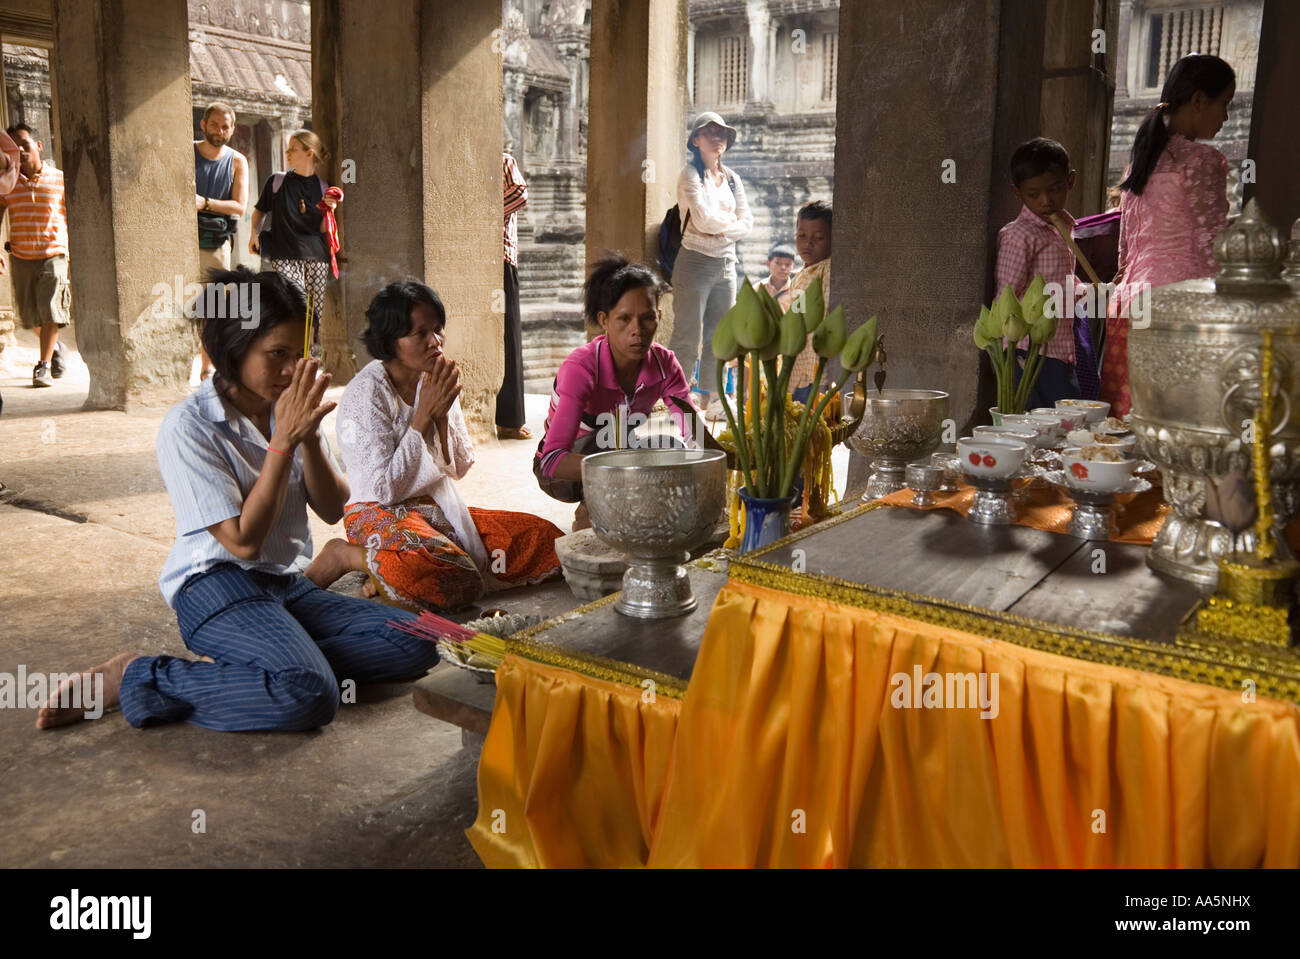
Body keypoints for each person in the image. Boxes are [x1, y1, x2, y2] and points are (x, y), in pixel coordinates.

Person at [35, 268, 440, 732]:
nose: (291, 369)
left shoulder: (286, 405)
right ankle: (140, 675)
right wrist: (283, 442)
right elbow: (242, 543)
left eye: (298, 354)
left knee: (421, 638)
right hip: (215, 584)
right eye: (276, 355)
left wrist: (306, 439)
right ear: (234, 349)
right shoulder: (190, 427)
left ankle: (264, 661)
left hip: (285, 584)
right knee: (307, 695)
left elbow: (333, 508)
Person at [331, 280, 563, 611]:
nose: (435, 342)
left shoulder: (435, 377)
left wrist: (441, 418)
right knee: (450, 572)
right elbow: (382, 490)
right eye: (420, 334)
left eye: (438, 330)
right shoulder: (366, 394)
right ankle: (351, 557)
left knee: (544, 539)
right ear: (390, 341)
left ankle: (388, 571)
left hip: (434, 509)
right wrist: (422, 417)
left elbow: (460, 466)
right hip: (375, 511)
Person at [1101, 54, 1234, 417]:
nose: (1225, 117)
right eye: (1224, 103)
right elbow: (1212, 247)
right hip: (1179, 307)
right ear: (1197, 101)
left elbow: (1125, 251)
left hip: (1128, 304)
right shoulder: (1205, 162)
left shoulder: (1140, 162)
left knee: (1126, 424)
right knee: (1176, 424)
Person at [536, 254, 696, 531]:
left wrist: (735, 459)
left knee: (674, 450)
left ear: (658, 317)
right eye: (624, 319)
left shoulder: (664, 363)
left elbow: (695, 433)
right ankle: (588, 518)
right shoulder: (581, 367)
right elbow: (552, 461)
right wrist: (629, 469)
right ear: (605, 320)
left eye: (647, 318)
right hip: (564, 473)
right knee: (607, 445)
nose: (637, 331)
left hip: (619, 451)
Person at [668, 111, 752, 421]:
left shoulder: (732, 179)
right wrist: (729, 223)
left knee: (720, 335)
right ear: (696, 140)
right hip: (694, 262)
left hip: (726, 264)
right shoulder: (690, 175)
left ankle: (714, 397)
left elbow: (748, 222)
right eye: (710, 132)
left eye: (722, 134)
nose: (717, 138)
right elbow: (701, 219)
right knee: (687, 334)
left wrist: (724, 226)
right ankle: (677, 396)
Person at [995, 137, 1082, 408]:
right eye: (1033, 194)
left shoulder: (1064, 228)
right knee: (1034, 423)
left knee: (1063, 423)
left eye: (1055, 189)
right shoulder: (1019, 236)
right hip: (1027, 352)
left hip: (1059, 350)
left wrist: (1095, 292)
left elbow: (1066, 284)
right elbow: (1005, 296)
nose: (1046, 201)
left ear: (1070, 181)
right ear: (1017, 193)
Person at [250, 130, 339, 352]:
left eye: (293, 148)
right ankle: (291, 350)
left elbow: (320, 229)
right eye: (288, 148)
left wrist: (330, 210)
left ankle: (306, 354)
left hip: (316, 257)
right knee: (296, 302)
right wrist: (253, 233)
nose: (287, 152)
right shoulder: (277, 181)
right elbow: (260, 211)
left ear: (309, 153)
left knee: (315, 311)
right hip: (284, 253)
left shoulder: (323, 187)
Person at [0, 123, 70, 388]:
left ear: (38, 146)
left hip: (54, 253)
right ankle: (56, 346)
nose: (21, 150)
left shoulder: (60, 179)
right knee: (29, 317)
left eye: (25, 144)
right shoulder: (8, 184)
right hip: (21, 255)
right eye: (15, 147)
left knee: (51, 310)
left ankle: (42, 366)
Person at [194, 102, 249, 380]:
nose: (220, 131)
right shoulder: (187, 152)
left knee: (212, 307)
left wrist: (203, 203)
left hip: (216, 242)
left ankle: (207, 367)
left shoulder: (237, 161)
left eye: (226, 126)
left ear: (232, 128)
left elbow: (239, 207)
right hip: (181, 240)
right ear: (203, 125)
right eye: (215, 125)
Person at [497, 150, 532, 441]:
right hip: (471, 259)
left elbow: (520, 195)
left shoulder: (502, 159)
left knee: (509, 337)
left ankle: (509, 419)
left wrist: (483, 217)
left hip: (502, 258)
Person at [785, 200, 833, 404]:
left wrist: (823, 379)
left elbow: (826, 323)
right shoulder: (801, 275)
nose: (807, 243)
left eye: (818, 237)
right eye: (802, 236)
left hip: (816, 374)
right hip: (798, 372)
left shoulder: (828, 271)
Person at [755, 243, 796, 312]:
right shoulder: (758, 288)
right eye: (778, 263)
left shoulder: (797, 289)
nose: (783, 267)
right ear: (768, 264)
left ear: (793, 266)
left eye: (788, 264)